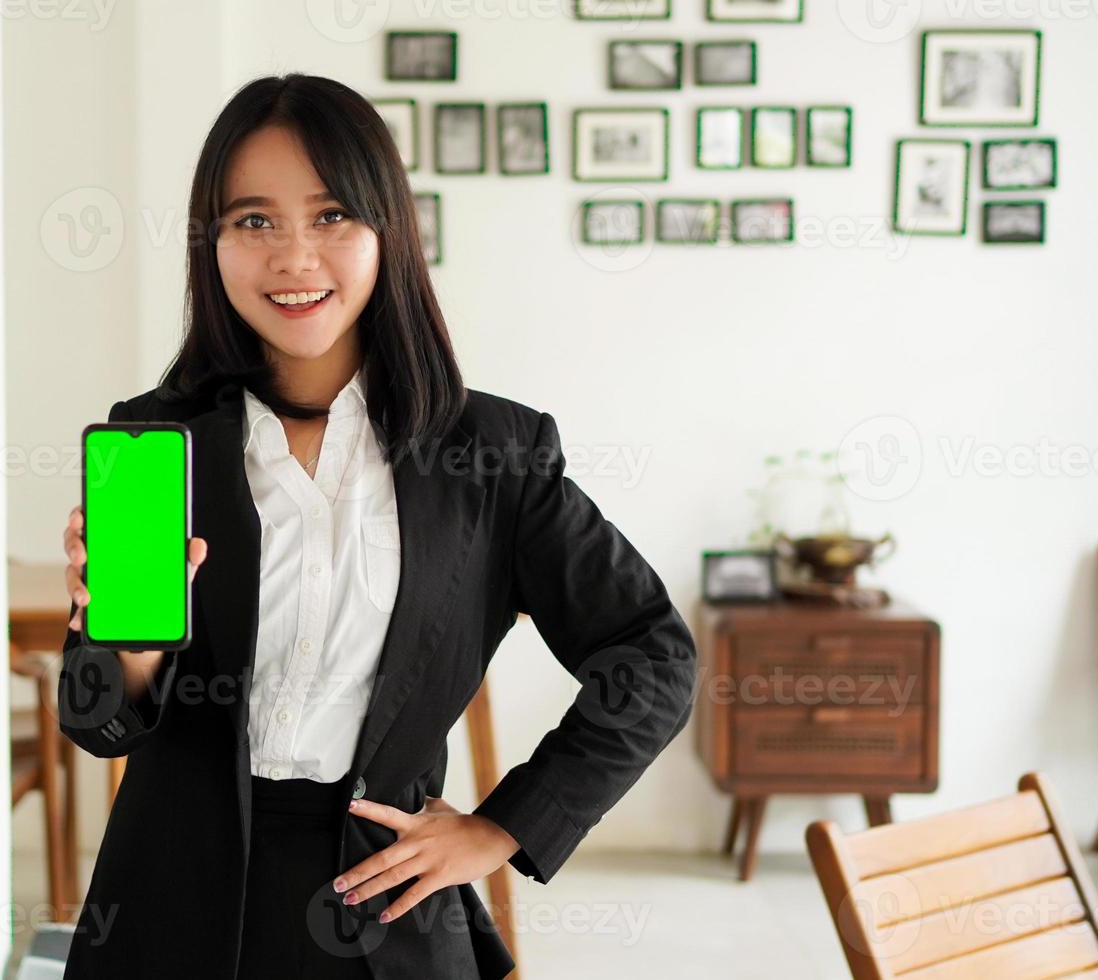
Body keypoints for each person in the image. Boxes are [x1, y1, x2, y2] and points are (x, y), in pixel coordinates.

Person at [55, 73, 698, 980]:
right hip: (171, 909)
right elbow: (97, 725)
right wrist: (117, 640)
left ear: (385, 232)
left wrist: (506, 826)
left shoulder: (493, 454)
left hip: (389, 906)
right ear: (213, 243)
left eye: (330, 217)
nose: (293, 258)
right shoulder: (154, 442)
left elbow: (652, 654)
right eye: (254, 221)